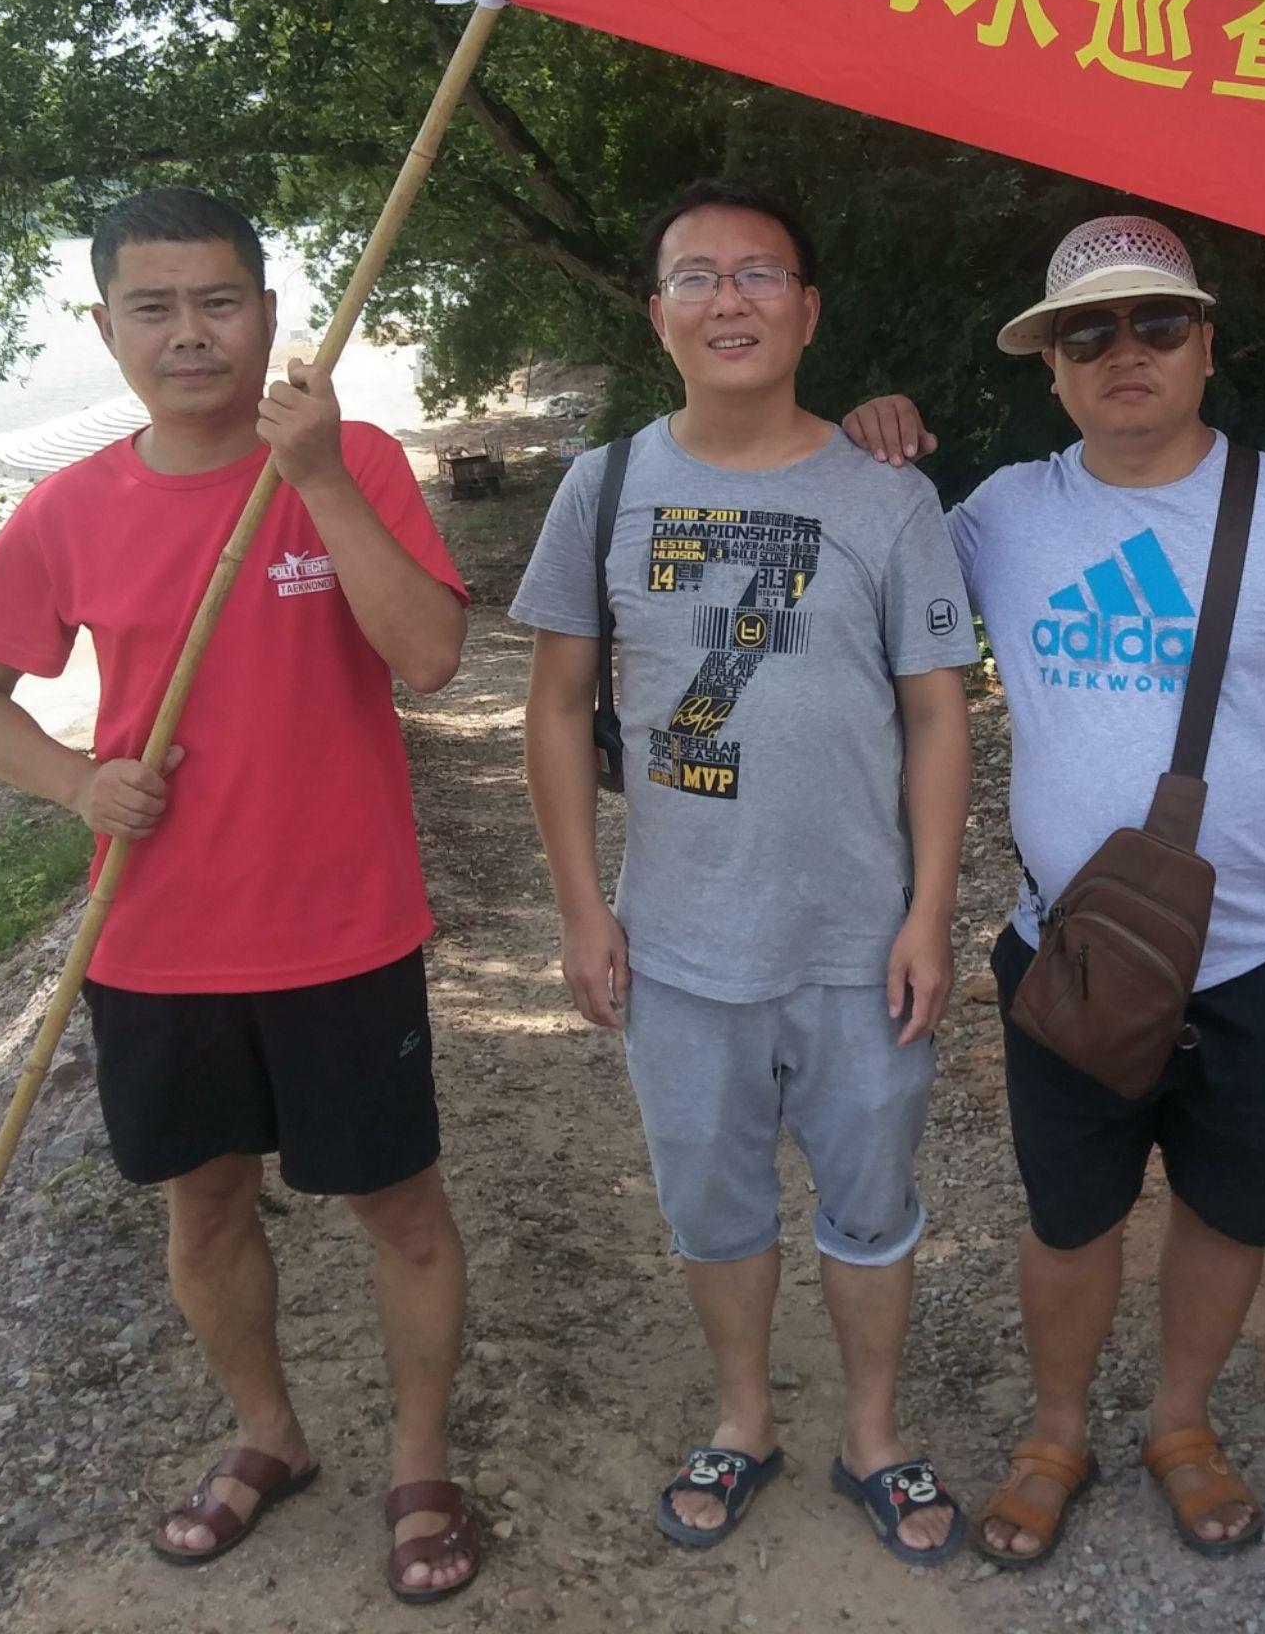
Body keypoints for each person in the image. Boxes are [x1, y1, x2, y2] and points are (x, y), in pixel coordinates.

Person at [0, 187, 481, 1602]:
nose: (191, 334)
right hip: (157, 939)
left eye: (219, 301)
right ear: (105, 327)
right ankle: (268, 1436)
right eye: (155, 308)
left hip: (345, 929)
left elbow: (426, 658)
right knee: (205, 1211)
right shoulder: (71, 508)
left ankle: (422, 1465)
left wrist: (322, 484)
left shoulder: (353, 459)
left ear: (273, 316)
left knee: (399, 1211)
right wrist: (70, 783)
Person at [842, 215, 1265, 1566]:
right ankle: (1054, 1432)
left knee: (1232, 1205)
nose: (1125, 354)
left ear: (1206, 344)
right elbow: (879, 607)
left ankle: (1179, 1420)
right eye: (1086, 333)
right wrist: (867, 446)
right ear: (1049, 366)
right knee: (1069, 1211)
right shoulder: (999, 517)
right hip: (1073, 952)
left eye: (1157, 324)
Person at [512, 179, 979, 1564]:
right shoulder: (602, 489)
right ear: (656, 314)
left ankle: (876, 1437)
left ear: (810, 309)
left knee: (874, 1206)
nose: (731, 299)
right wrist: (583, 909)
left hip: (859, 939)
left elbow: (939, 709)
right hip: (679, 945)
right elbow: (552, 705)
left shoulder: (888, 494)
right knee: (712, 1209)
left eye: (762, 274)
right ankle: (742, 1417)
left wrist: (932, 911)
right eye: (698, 276)